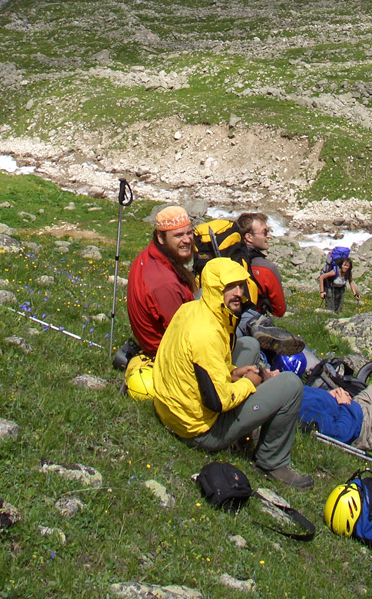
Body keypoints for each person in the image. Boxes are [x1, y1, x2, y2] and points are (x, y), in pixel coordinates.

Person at [153, 257, 313, 489]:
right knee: (290, 384)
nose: (239, 292)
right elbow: (217, 401)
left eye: (241, 285)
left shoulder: (192, 309)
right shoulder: (207, 333)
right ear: (215, 288)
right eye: (230, 287)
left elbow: (199, 365)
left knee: (249, 345)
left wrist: (233, 371)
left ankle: (248, 430)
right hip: (199, 430)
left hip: (171, 410)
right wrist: (251, 382)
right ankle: (272, 462)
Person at [126, 205, 196, 357]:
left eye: (189, 233)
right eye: (178, 236)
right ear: (160, 238)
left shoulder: (149, 256)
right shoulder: (165, 284)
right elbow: (185, 336)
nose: (187, 240)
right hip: (168, 357)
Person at [237, 211, 286, 319]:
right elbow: (280, 310)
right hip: (253, 321)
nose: (269, 236)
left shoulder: (228, 259)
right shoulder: (267, 268)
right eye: (264, 232)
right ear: (249, 237)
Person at [319, 246, 361, 311]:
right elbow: (322, 277)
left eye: (347, 266)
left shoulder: (348, 273)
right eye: (344, 265)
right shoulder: (334, 272)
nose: (345, 267)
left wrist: (355, 294)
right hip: (331, 289)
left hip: (341, 290)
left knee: (338, 310)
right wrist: (322, 292)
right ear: (341, 265)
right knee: (330, 309)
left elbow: (350, 281)